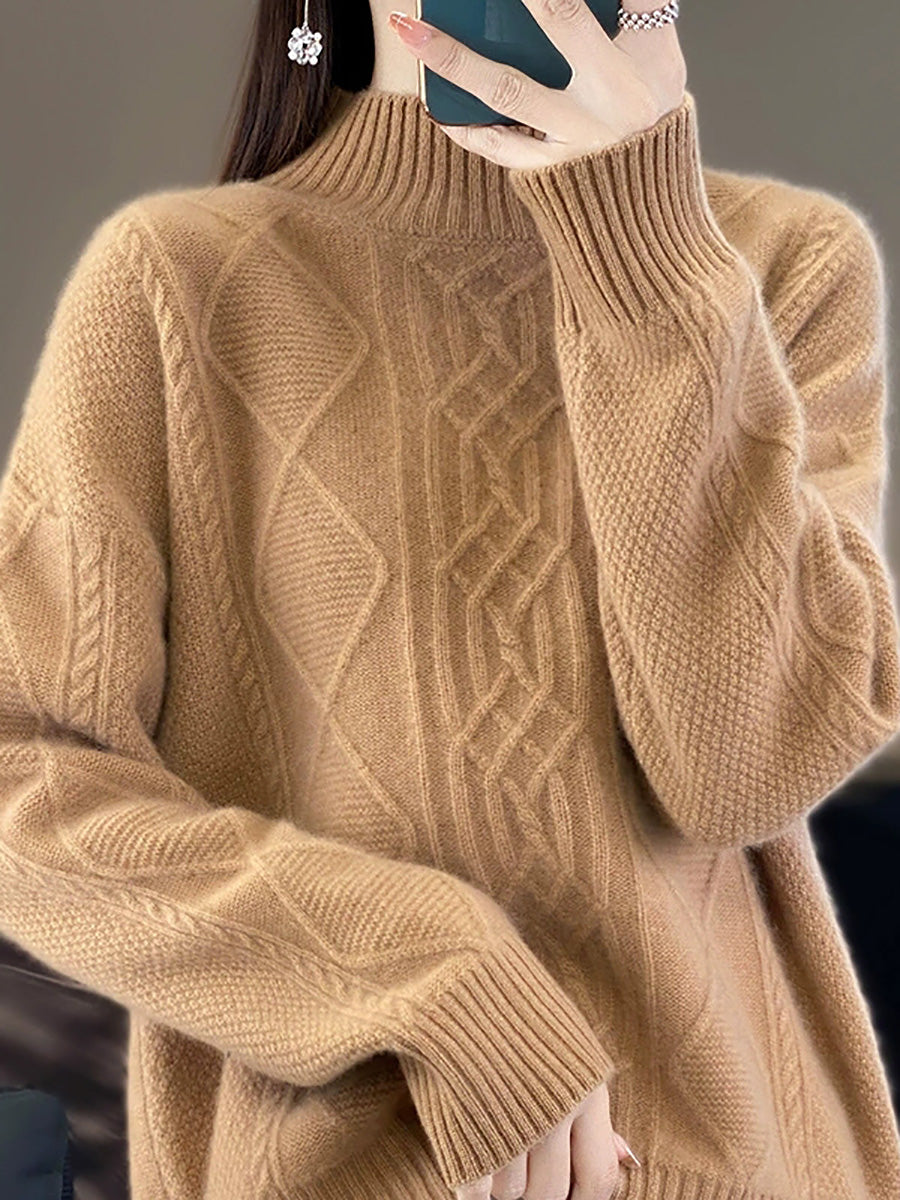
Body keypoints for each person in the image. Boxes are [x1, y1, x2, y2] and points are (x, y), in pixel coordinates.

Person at [1, 1, 898, 1198]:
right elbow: (22, 772)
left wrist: (641, 242)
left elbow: (748, 769)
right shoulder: (177, 279)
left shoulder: (779, 262)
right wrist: (430, 977)